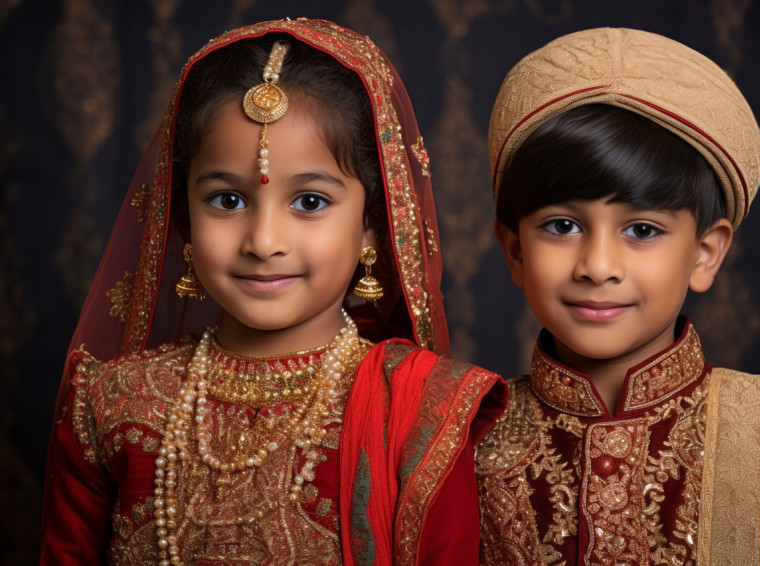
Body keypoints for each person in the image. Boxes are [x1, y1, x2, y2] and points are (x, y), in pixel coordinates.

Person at [40, 18, 507, 566]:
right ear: (183, 217)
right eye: (227, 201)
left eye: (309, 202)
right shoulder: (110, 403)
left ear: (373, 226)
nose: (263, 242)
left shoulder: (421, 411)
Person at [475, 27, 760, 565]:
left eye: (643, 231)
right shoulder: (466, 438)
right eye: (561, 226)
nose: (598, 267)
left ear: (705, 253)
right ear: (514, 249)